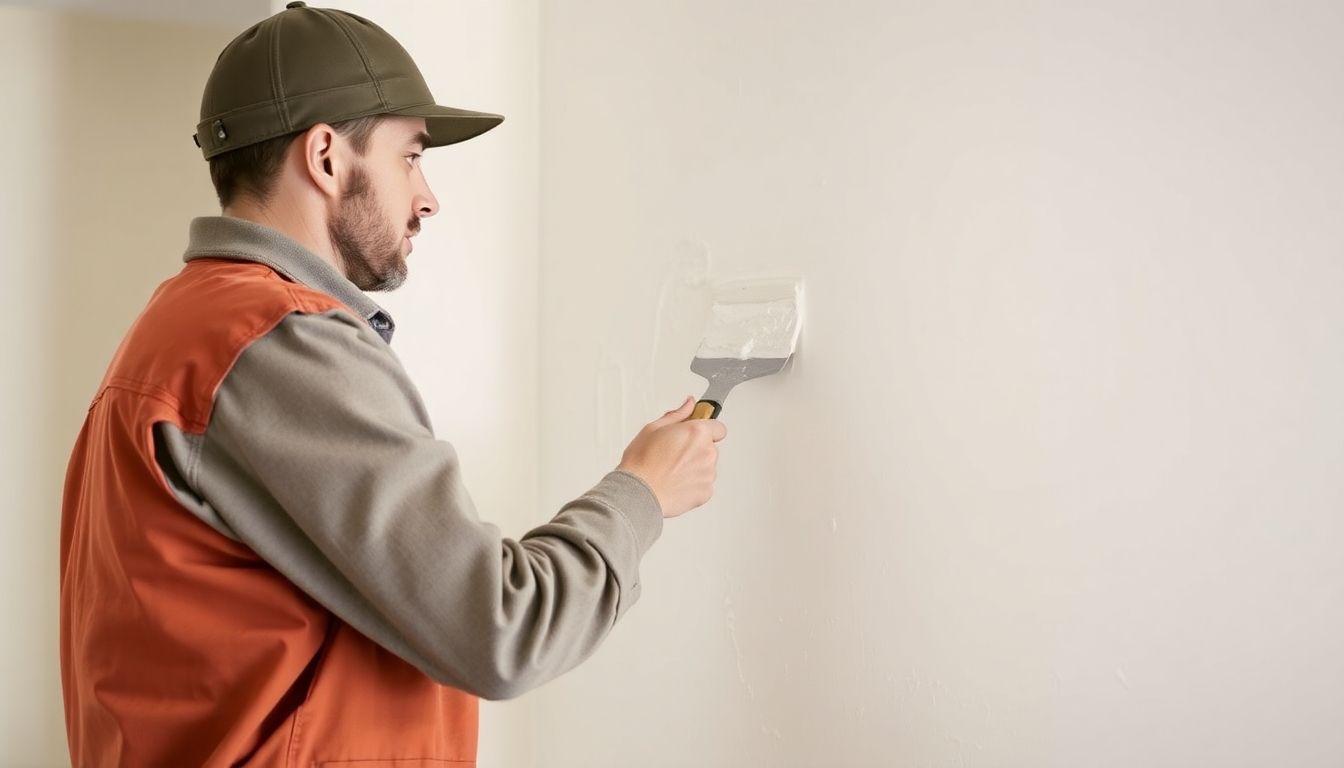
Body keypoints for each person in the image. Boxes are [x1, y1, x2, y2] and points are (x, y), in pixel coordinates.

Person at [57, 3, 727, 765]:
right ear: (326, 157)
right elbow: (504, 629)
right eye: (410, 156)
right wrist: (642, 492)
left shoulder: (184, 324)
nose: (428, 196)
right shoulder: (279, 341)